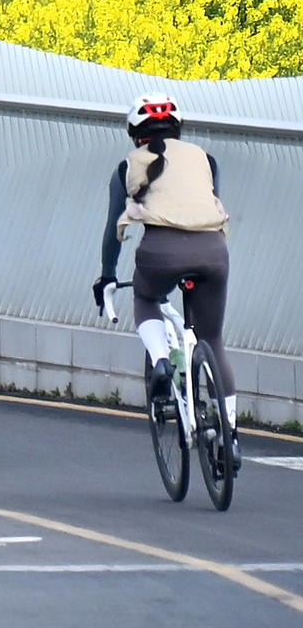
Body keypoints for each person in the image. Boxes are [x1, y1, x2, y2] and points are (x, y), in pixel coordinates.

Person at [92, 95, 239, 466]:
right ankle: (230, 436)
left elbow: (114, 230)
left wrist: (107, 275)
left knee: (146, 299)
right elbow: (207, 204)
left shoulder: (128, 166)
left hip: (161, 252)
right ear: (178, 127)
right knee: (212, 338)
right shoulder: (205, 159)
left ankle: (160, 361)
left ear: (134, 134)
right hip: (213, 251)